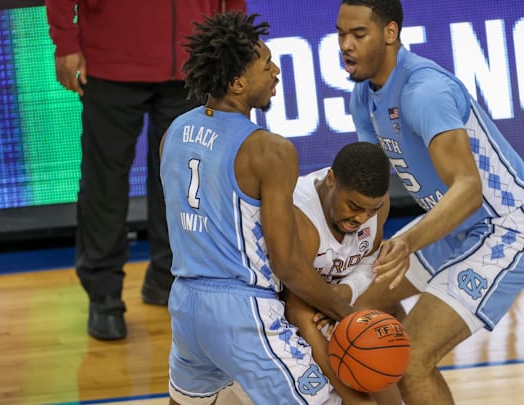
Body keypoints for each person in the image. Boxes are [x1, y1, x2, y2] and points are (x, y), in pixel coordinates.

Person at [336, 1, 524, 404]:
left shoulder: (425, 92)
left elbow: (468, 189)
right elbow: (374, 190)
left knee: (412, 359)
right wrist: (356, 245)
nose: (345, 45)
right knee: (355, 306)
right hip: (453, 226)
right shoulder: (362, 97)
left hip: (509, 226)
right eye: (341, 34)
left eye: (358, 34)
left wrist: (406, 243)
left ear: (390, 33)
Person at [161, 11, 356, 405]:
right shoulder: (270, 150)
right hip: (242, 311)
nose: (275, 71)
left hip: (184, 304)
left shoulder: (173, 132)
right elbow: (287, 264)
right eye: (266, 64)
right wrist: (340, 307)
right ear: (237, 82)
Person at [45, 0, 246, 341]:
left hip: (193, 60)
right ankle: (104, 294)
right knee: (104, 182)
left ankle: (169, 278)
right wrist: (65, 41)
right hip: (110, 61)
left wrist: (235, 44)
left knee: (185, 183)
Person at [283, 141, 403, 405]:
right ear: (331, 179)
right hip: (284, 313)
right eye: (354, 206)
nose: (362, 218)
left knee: (381, 346)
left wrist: (344, 292)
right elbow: (297, 309)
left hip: (332, 305)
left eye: (370, 210)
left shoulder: (376, 206)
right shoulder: (303, 220)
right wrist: (356, 400)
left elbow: (370, 260)